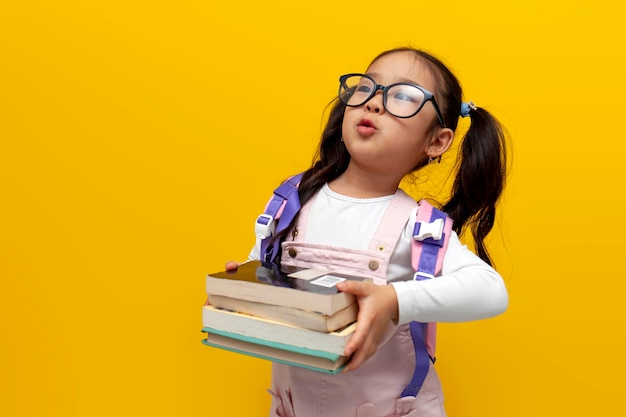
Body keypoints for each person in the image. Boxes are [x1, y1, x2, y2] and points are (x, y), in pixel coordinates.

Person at [226, 47, 509, 417]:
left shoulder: (419, 228)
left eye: (403, 96)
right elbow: (260, 261)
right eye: (367, 88)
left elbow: (491, 291)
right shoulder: (293, 201)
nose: (374, 103)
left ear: (436, 141)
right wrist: (240, 292)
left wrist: (393, 300)